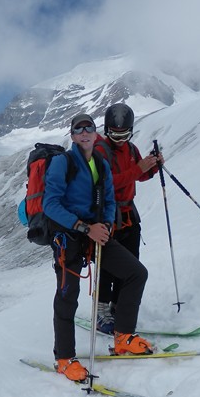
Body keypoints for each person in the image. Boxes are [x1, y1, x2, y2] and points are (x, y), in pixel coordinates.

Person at [43, 113, 153, 382]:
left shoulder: (100, 163)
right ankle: (64, 358)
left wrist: (105, 223)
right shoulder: (62, 162)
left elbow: (108, 199)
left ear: (95, 133)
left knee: (135, 273)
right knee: (68, 295)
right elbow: (50, 204)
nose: (84, 133)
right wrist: (84, 227)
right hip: (69, 238)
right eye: (78, 129)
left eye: (88, 128)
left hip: (96, 233)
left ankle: (123, 336)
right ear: (72, 136)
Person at [92, 103, 164, 334]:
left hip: (129, 216)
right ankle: (101, 313)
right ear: (107, 130)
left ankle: (116, 307)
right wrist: (140, 168)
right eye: (115, 134)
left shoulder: (131, 150)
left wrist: (152, 167)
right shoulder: (99, 150)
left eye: (124, 134)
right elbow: (107, 183)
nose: (120, 139)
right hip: (107, 217)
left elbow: (137, 175)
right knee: (107, 267)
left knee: (131, 263)